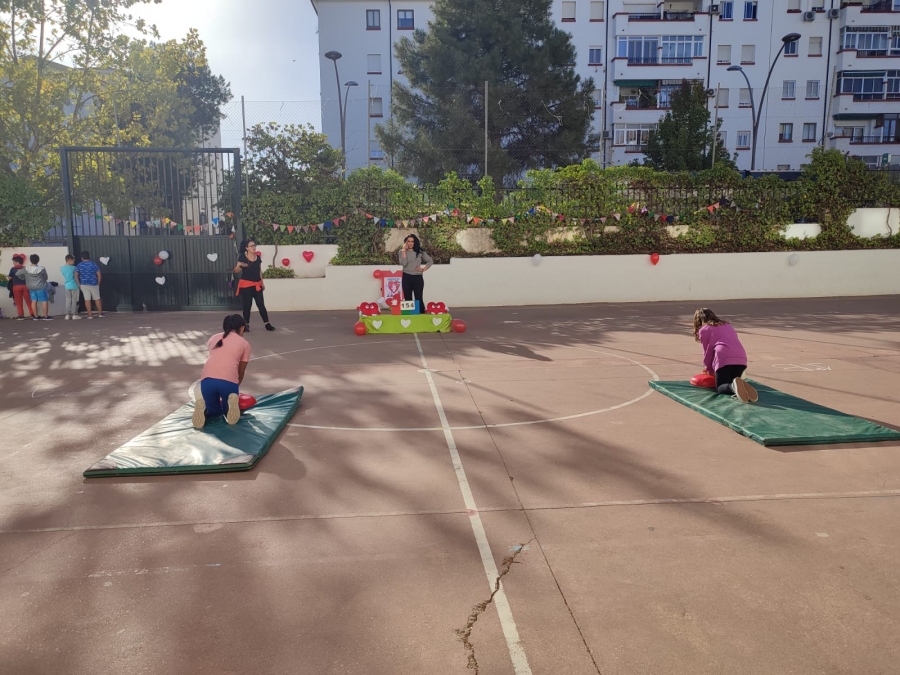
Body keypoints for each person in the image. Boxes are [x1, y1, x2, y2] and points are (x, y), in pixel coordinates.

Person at [193, 314, 251, 429]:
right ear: (242, 327)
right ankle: (230, 406)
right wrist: (235, 386)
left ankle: (204, 408)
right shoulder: (245, 344)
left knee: (214, 411)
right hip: (228, 381)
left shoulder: (213, 338)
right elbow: (241, 370)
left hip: (206, 381)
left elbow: (216, 360)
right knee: (226, 410)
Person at [693, 307, 758, 403]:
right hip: (741, 357)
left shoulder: (704, 329)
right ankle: (739, 385)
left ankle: (733, 386)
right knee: (734, 382)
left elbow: (708, 352)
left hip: (723, 357)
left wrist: (709, 369)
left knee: (721, 387)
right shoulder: (727, 325)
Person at [233, 239, 275, 332]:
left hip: (257, 284)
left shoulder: (258, 257)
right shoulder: (242, 258)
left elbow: (259, 270)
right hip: (246, 285)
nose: (254, 247)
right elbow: (236, 271)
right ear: (246, 248)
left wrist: (262, 282)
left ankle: (267, 323)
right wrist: (239, 266)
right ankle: (246, 325)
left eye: (254, 245)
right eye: (251, 246)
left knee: (261, 304)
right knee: (247, 305)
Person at [398, 234, 433, 312]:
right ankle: (409, 317)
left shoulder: (420, 252)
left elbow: (430, 261)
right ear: (405, 242)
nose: (410, 243)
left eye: (412, 241)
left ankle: (421, 316)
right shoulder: (401, 252)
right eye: (408, 241)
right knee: (408, 298)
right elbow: (404, 263)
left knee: (418, 298)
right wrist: (404, 250)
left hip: (417, 277)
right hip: (406, 277)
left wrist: (423, 269)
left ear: (415, 242)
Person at [16, 254, 52, 320]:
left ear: (30, 260)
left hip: (31, 287)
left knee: (34, 300)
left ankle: (35, 316)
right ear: (38, 260)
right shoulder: (42, 268)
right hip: (41, 287)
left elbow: (17, 274)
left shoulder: (26, 269)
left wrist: (23, 277)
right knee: (44, 300)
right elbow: (46, 277)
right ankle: (45, 316)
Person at [75, 251, 104, 318]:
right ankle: (100, 314)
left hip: (84, 284)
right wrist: (98, 283)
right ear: (89, 257)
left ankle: (90, 315)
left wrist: (79, 284)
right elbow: (99, 275)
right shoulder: (93, 264)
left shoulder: (79, 265)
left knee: (87, 299)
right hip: (94, 283)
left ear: (82, 258)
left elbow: (76, 275)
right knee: (97, 298)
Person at [7, 254, 35, 320]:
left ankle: (21, 315)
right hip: (25, 286)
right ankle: (32, 314)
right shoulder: (26, 268)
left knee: (18, 302)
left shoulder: (13, 269)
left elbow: (10, 278)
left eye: (14, 262)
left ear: (17, 262)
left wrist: (8, 277)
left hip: (16, 286)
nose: (13, 263)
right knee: (28, 301)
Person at [61, 255, 82, 320]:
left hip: (67, 285)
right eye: (73, 260)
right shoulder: (74, 268)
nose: (74, 261)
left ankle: (67, 315)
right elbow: (77, 276)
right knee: (74, 300)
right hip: (74, 285)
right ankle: (74, 314)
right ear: (69, 260)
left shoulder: (62, 268)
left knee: (68, 300)